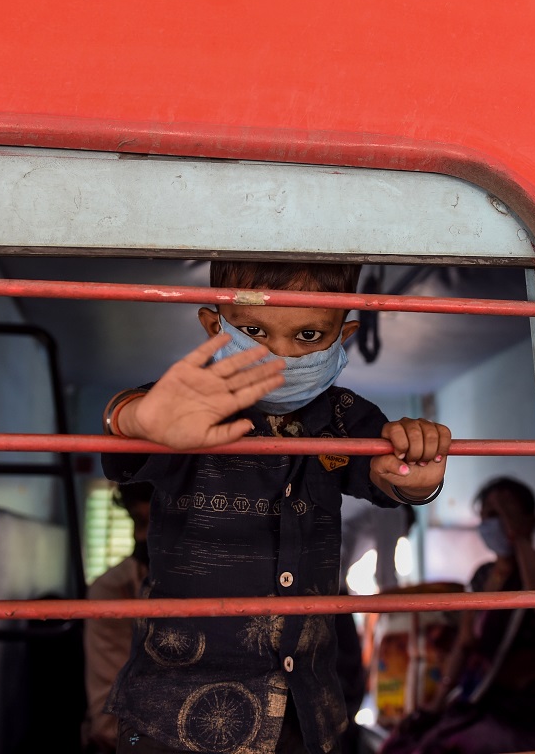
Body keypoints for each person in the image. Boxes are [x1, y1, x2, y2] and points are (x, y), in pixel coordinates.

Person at [100, 261, 452, 754]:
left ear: (342, 335)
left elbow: (385, 478)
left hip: (305, 712)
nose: (280, 353)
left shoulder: (346, 417)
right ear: (213, 326)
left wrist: (417, 480)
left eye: (309, 334)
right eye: (253, 331)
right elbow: (133, 428)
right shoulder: (188, 407)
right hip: (174, 713)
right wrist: (132, 416)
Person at [380, 477, 535, 754]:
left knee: (453, 745)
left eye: (503, 513)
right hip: (483, 695)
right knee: (405, 742)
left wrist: (520, 537)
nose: (495, 523)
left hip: (528, 702)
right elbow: (465, 643)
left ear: (526, 518)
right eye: (488, 515)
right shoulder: (482, 576)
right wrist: (437, 703)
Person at [85, 481, 154, 753]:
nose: (146, 536)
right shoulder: (115, 589)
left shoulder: (219, 588)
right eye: (140, 523)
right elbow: (109, 723)